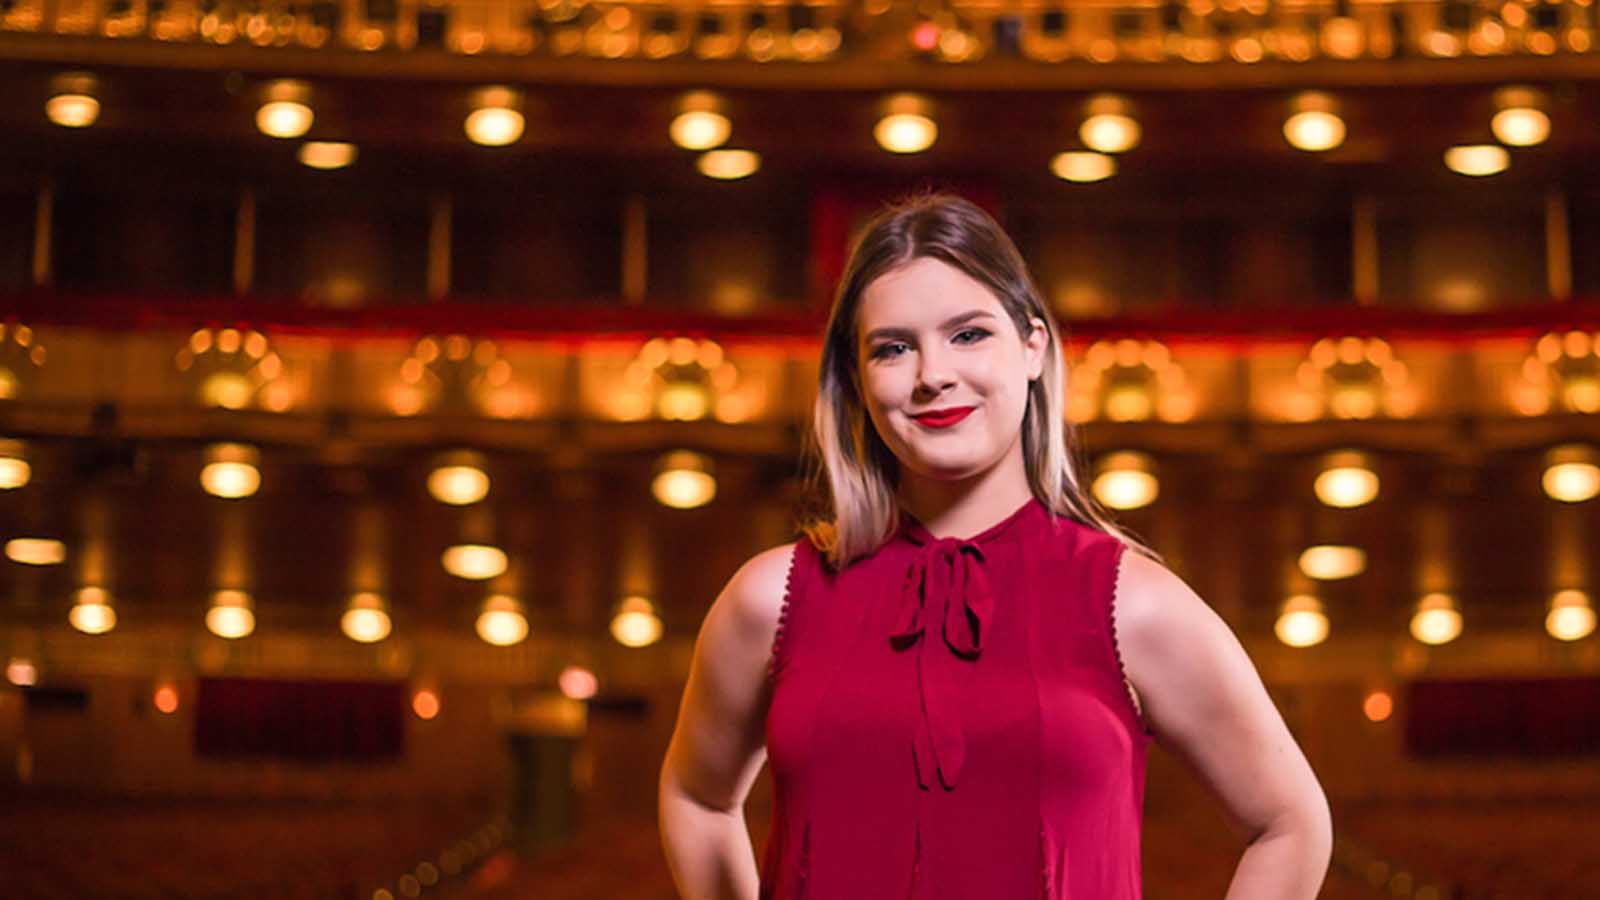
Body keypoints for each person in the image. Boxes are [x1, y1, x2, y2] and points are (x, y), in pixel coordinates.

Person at [658, 190, 1332, 899]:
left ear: (1034, 347)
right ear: (857, 381)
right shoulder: (771, 598)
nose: (932, 375)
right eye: (893, 348)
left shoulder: (1133, 602)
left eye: (969, 334)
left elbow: (1290, 822)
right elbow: (697, 798)